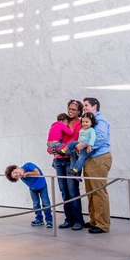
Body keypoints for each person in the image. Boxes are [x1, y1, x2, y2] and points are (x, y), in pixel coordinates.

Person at [47, 99, 85, 231]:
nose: (71, 111)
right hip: (58, 160)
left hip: (71, 160)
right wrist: (51, 149)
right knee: (64, 191)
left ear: (79, 111)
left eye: (74, 109)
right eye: (69, 108)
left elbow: (78, 141)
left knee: (73, 191)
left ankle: (78, 221)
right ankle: (68, 219)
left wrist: (63, 149)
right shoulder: (63, 122)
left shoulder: (81, 123)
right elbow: (53, 139)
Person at [77, 97, 112, 234]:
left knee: (99, 192)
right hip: (90, 159)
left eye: (86, 105)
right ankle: (94, 221)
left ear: (95, 106)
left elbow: (101, 137)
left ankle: (102, 224)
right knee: (91, 192)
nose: (84, 107)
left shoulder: (101, 120)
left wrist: (84, 145)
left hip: (99, 158)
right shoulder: (90, 122)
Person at [5, 163, 53, 228]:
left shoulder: (28, 165)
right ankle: (39, 219)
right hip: (33, 188)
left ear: (17, 167)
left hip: (42, 186)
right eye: (16, 176)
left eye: (15, 172)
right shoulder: (21, 177)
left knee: (46, 203)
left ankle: (49, 221)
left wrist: (27, 174)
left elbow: (37, 173)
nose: (18, 175)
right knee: (36, 204)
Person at [52, 112, 97, 177]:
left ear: (91, 122)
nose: (84, 123)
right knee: (73, 143)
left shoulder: (91, 130)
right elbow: (79, 138)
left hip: (86, 146)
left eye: (87, 122)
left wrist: (90, 145)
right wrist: (77, 146)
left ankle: (76, 169)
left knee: (81, 157)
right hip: (79, 143)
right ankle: (63, 151)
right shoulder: (81, 130)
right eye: (83, 122)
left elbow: (93, 138)